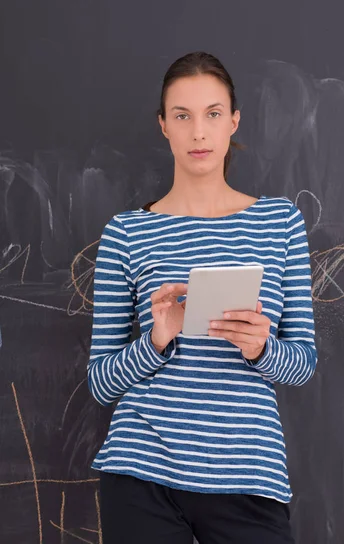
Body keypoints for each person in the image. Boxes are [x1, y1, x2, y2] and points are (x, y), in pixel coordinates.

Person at [87, 51, 317, 544]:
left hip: (250, 476)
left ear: (233, 122)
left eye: (213, 114)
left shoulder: (280, 224)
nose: (198, 132)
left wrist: (261, 348)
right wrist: (156, 340)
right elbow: (100, 383)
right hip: (141, 471)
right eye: (182, 116)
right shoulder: (126, 233)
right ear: (163, 126)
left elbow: (303, 364)